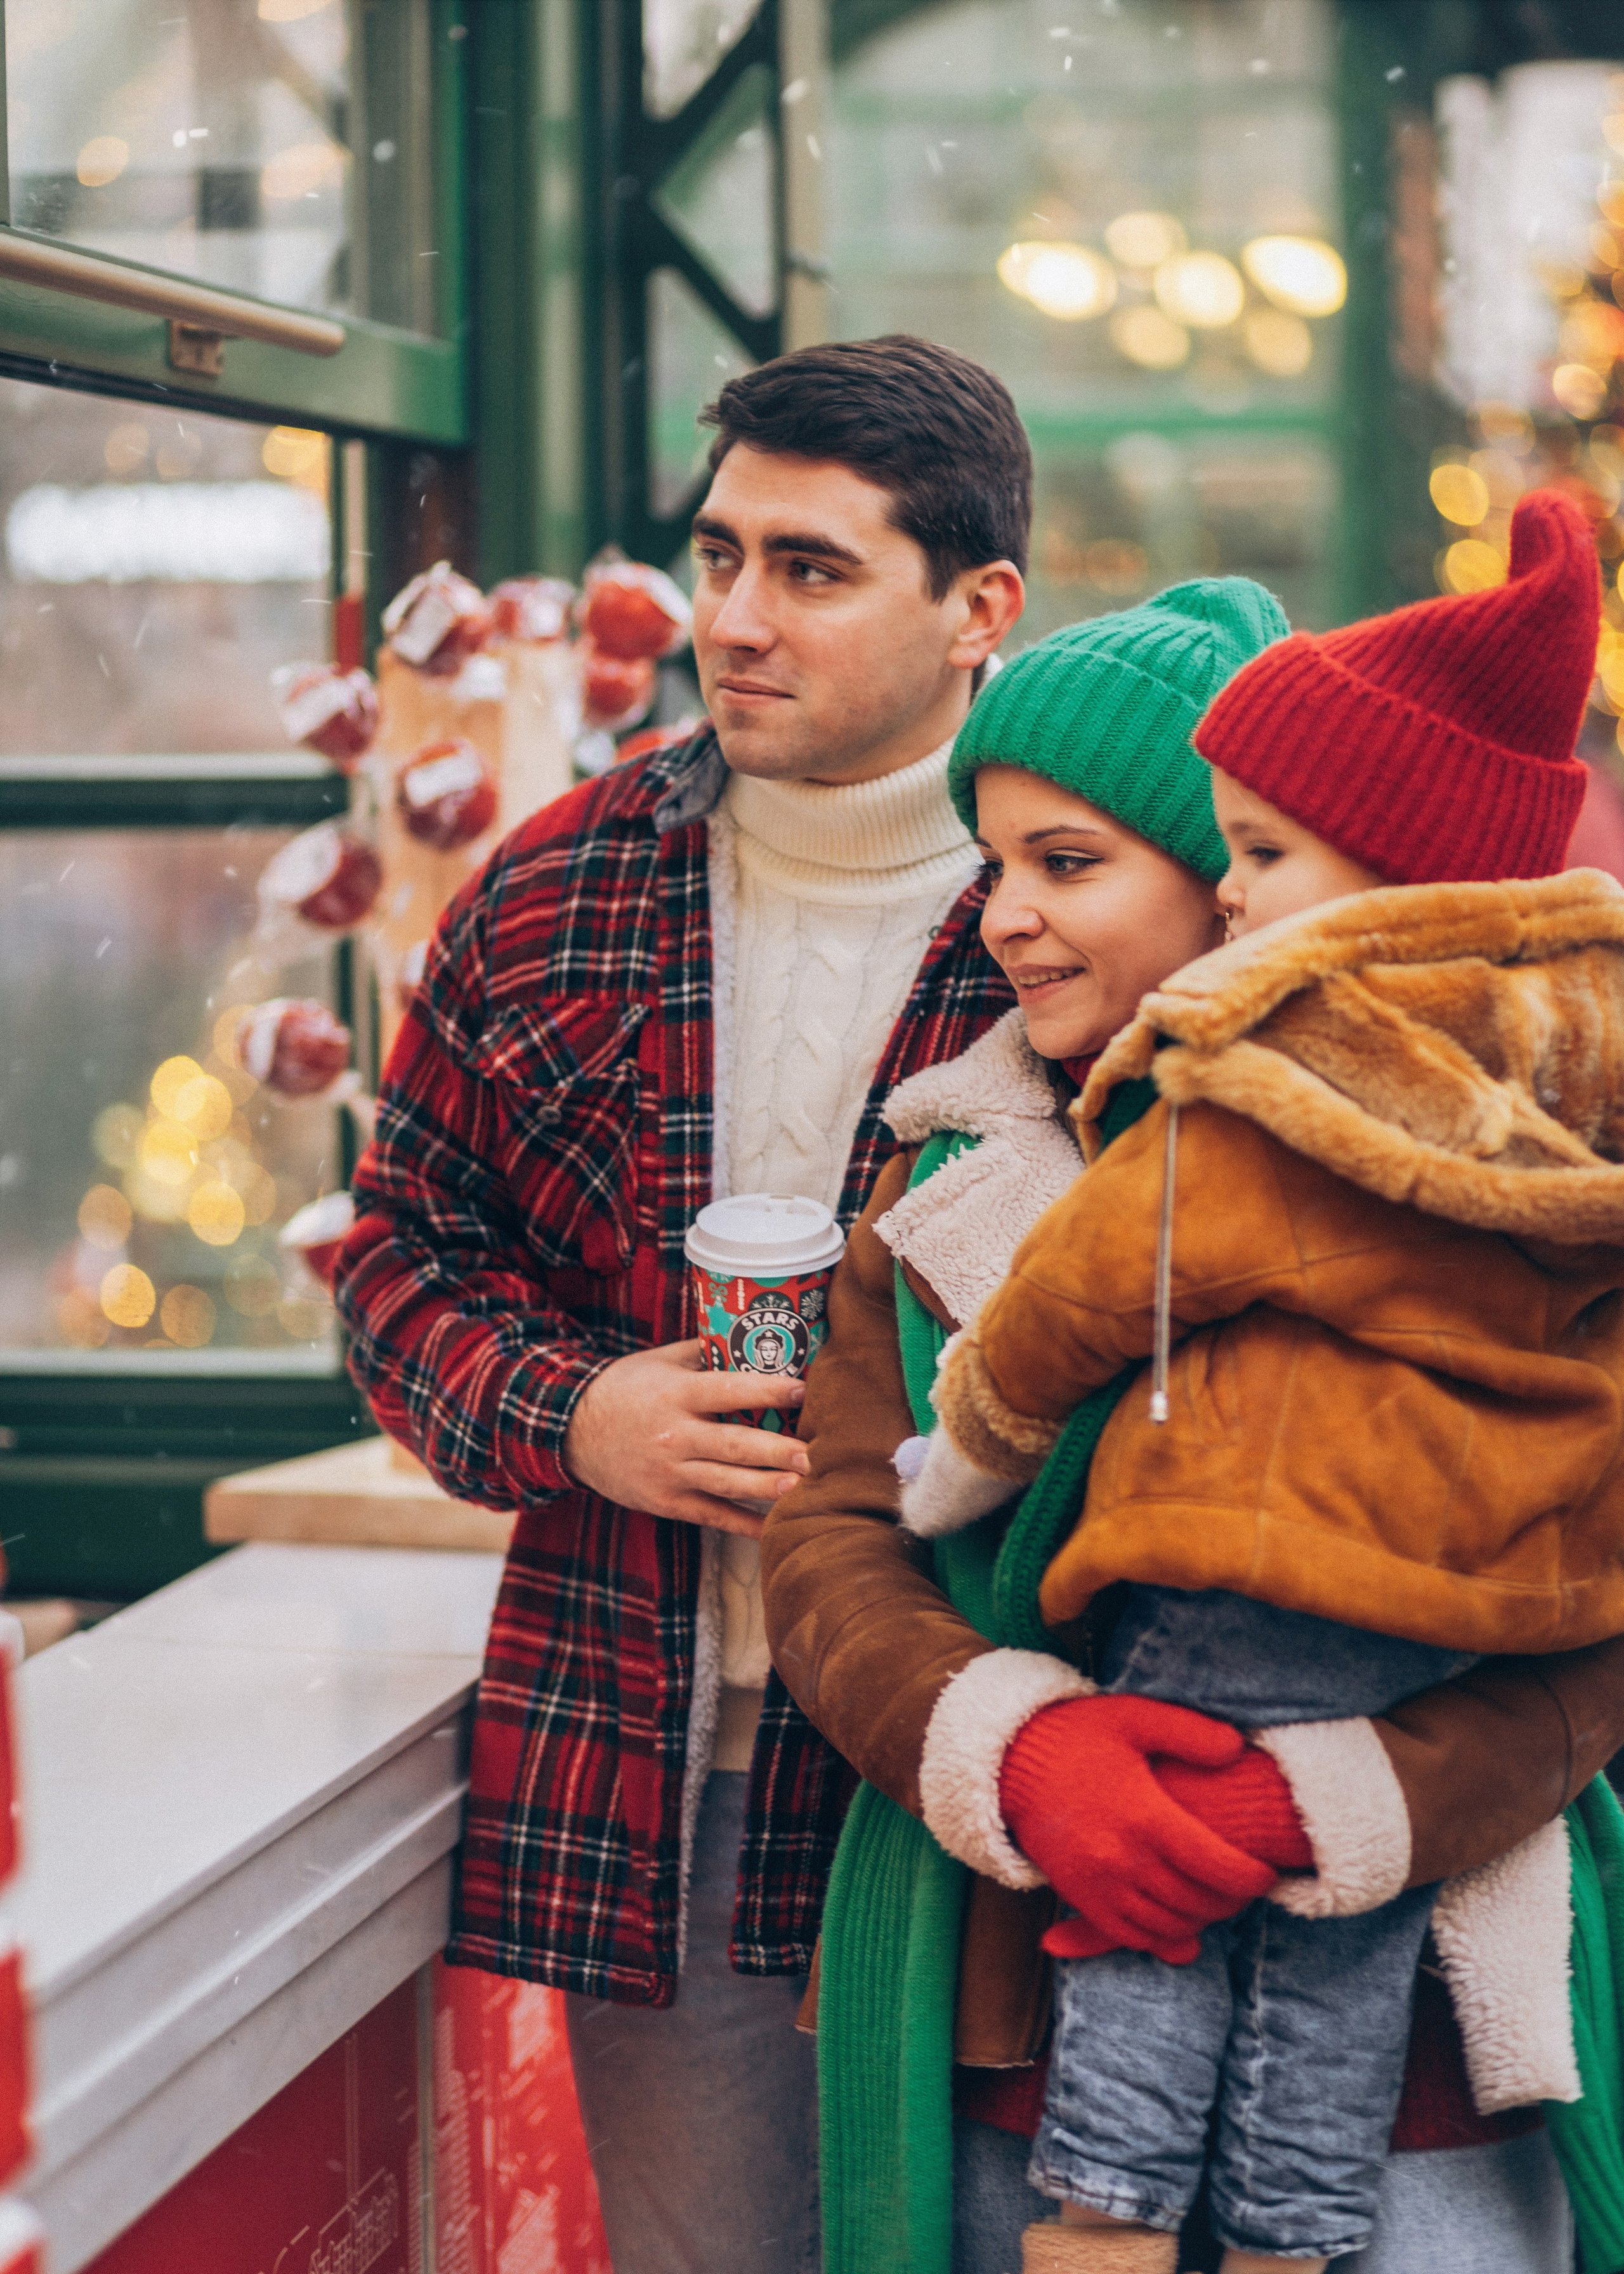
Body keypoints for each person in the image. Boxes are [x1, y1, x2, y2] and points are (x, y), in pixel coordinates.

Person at [761, 547, 1622, 2274]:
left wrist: (1353, 1793)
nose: (1006, 912)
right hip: (1029, 2031)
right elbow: (836, 1542)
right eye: (994, 863)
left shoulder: (1536, 1183)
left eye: (1070, 862)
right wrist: (1022, 1748)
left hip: (1435, 2068)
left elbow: (1594, 1610)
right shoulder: (940, 1180)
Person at [334, 333, 1030, 2274]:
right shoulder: (556, 888)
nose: (734, 616)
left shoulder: (1088, 894)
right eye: (719, 557)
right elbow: (400, 1259)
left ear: (982, 609)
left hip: (1012, 1745)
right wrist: (575, 1415)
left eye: (811, 569)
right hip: (671, 1755)